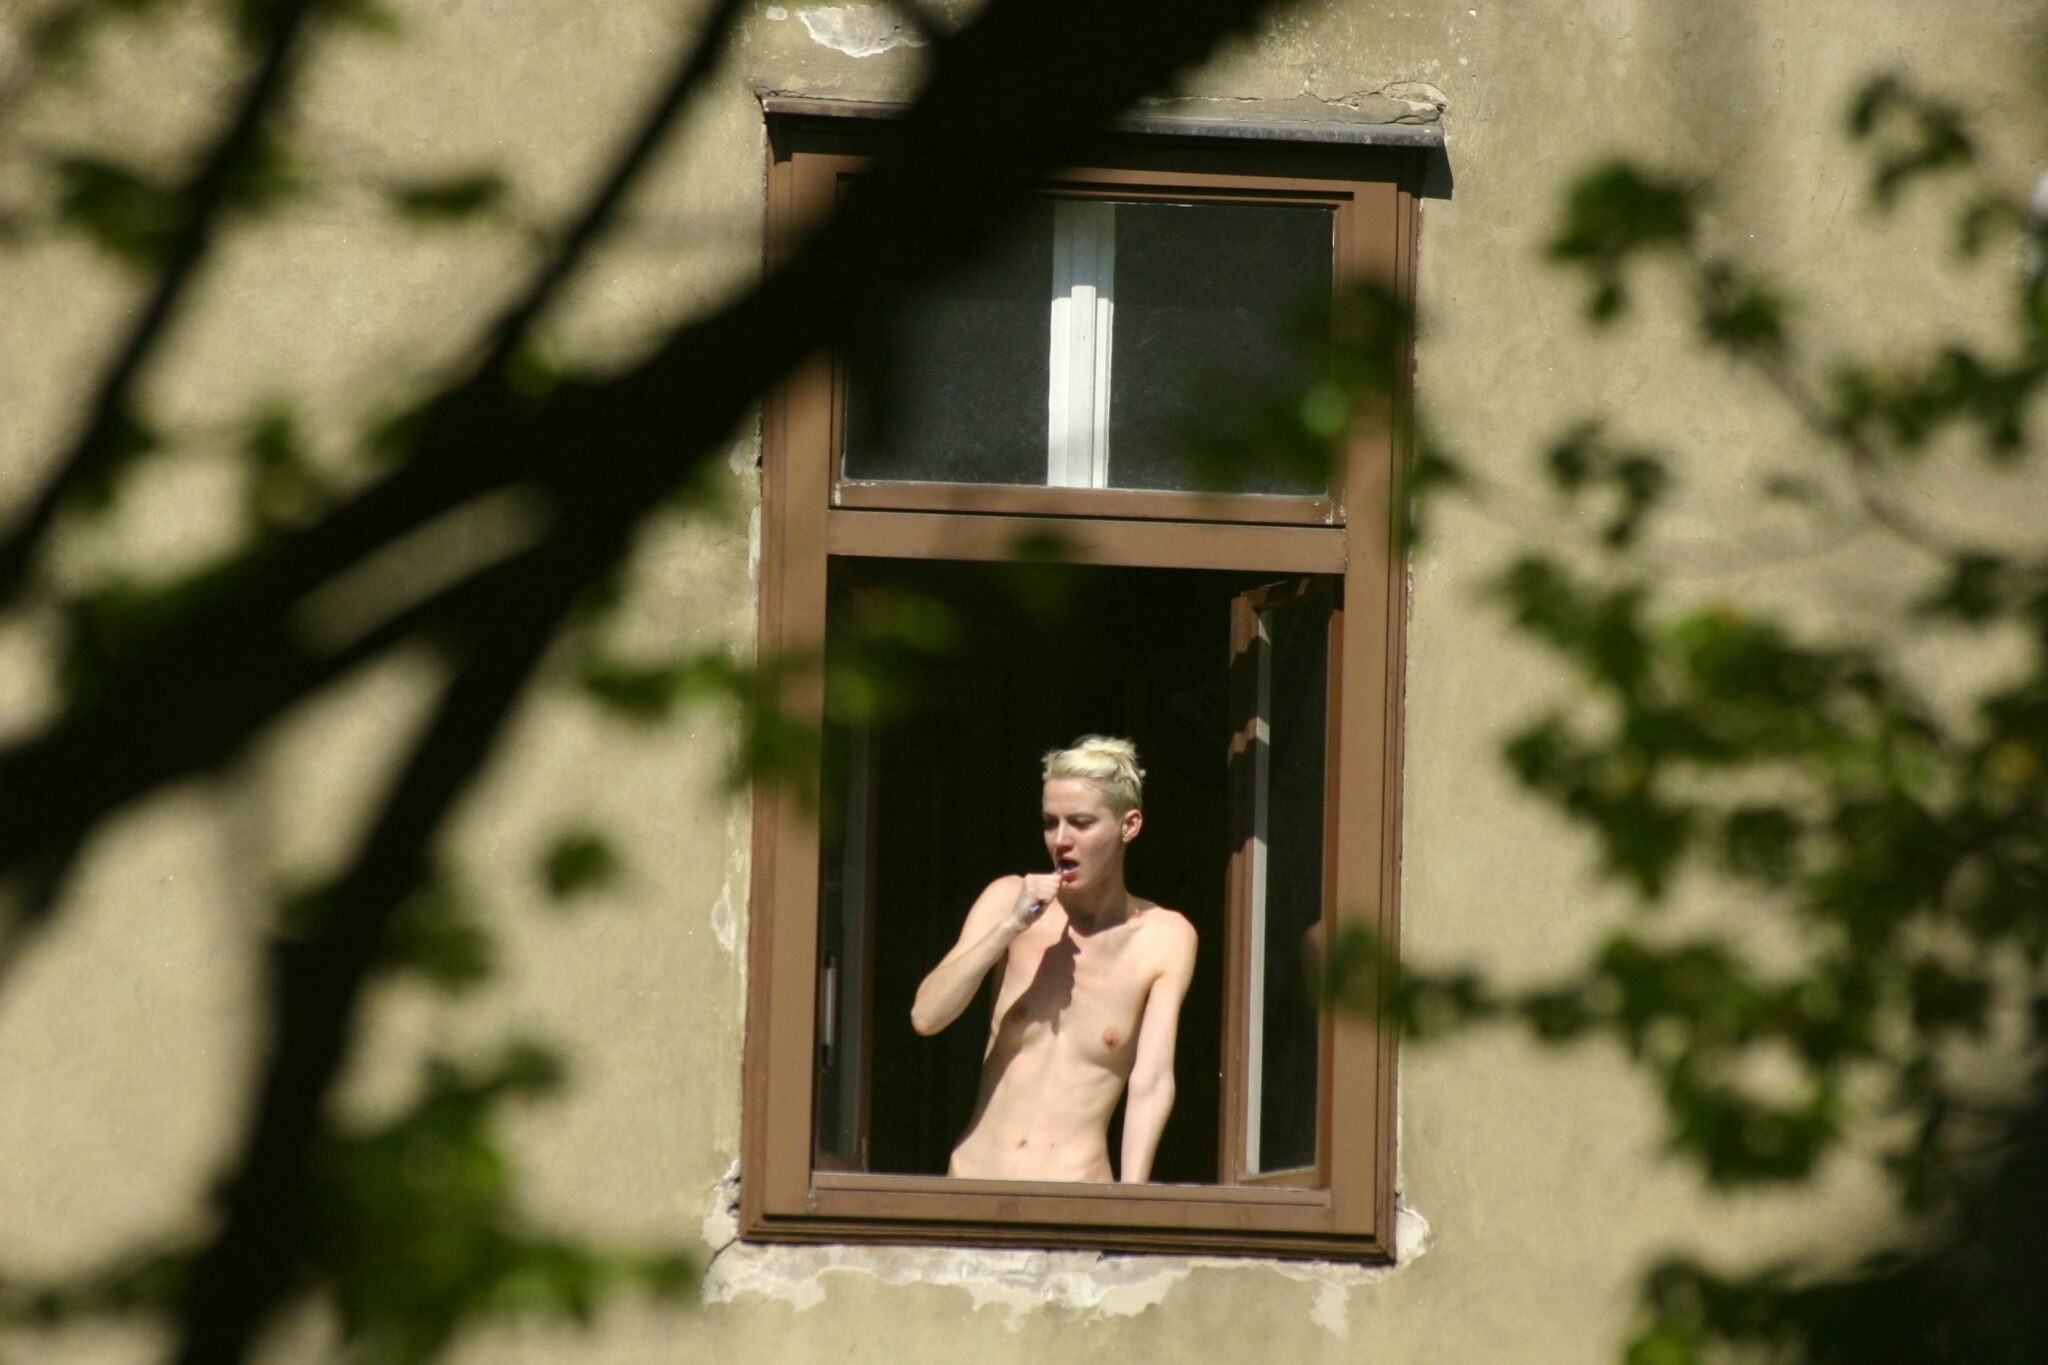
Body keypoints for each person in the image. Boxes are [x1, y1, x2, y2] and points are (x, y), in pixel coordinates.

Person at [909, 736, 1198, 1183]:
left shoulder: (1165, 936)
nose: (1061, 840)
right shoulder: (1007, 898)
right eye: (1050, 823)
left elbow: (1152, 1080)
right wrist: (1010, 927)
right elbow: (927, 1016)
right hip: (977, 1180)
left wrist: (1131, 1200)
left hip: (1076, 1189)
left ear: (1129, 825)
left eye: (1080, 823)